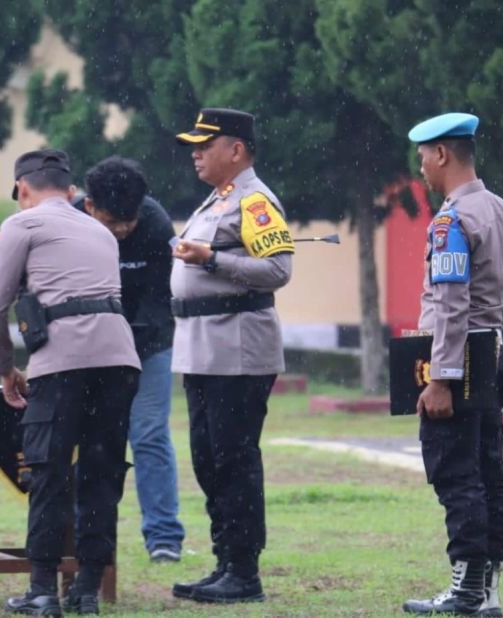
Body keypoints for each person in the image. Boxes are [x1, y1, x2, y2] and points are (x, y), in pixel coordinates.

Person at [0, 149, 141, 616]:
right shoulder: (101, 231)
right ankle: (87, 590)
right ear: (71, 193)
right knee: (101, 473)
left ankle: (43, 590)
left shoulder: (22, 224)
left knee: (48, 472)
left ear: (22, 189)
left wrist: (3, 367)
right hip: (119, 357)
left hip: (63, 362)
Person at [169, 108, 294, 604]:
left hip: (238, 348)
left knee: (233, 459)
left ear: (236, 150)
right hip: (203, 347)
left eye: (206, 144)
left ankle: (244, 571)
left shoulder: (255, 202)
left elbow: (278, 270)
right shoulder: (217, 200)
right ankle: (225, 561)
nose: (196, 153)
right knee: (207, 458)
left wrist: (213, 259)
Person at [402, 113, 503, 617]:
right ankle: (487, 589)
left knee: (457, 474)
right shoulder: (502, 212)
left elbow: (451, 303)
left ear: (443, 155)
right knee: (489, 474)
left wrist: (442, 379)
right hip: (491, 349)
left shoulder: (451, 220)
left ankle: (466, 587)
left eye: (424, 156)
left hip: (459, 358)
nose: (422, 167)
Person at [76, 155, 186, 563]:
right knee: (89, 440)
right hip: (88, 347)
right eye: (112, 223)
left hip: (148, 345)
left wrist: (129, 344)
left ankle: (164, 536)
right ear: (90, 207)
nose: (121, 231)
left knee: (149, 435)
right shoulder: (72, 222)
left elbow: (161, 297)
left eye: (129, 222)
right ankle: (82, 533)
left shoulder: (156, 224)